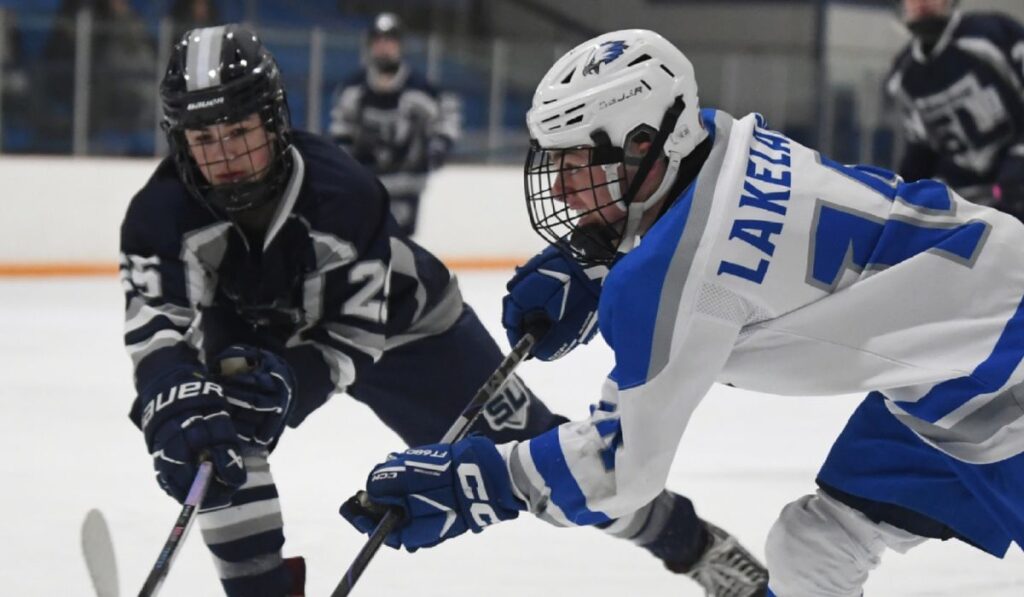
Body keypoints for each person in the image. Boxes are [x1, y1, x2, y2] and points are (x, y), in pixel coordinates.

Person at [344, 28, 1024, 596]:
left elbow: (620, 467)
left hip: (1005, 367)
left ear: (643, 144)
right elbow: (728, 247)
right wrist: (604, 262)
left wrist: (480, 481)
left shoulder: (672, 277)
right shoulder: (715, 138)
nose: (559, 184)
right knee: (812, 546)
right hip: (961, 367)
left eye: (578, 160)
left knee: (816, 546)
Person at [120, 24, 766, 597]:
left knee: (533, 454)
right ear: (180, 141)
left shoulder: (342, 193)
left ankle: (692, 543)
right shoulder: (158, 216)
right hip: (260, 333)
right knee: (216, 434)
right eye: (206, 138)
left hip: (409, 330)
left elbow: (350, 340)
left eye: (239, 132)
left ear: (274, 120)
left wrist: (287, 385)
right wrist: (171, 394)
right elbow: (156, 329)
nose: (226, 157)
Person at [887, 0, 1024, 218]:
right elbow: (922, 150)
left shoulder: (994, 37)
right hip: (970, 203)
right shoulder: (903, 76)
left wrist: (1017, 163)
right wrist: (899, 197)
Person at [328, 12, 460, 236]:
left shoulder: (420, 90)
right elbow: (340, 129)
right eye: (378, 41)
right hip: (365, 187)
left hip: (406, 187)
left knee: (399, 250)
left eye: (390, 40)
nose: (384, 47)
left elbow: (447, 118)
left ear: (400, 45)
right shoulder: (353, 89)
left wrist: (439, 145)